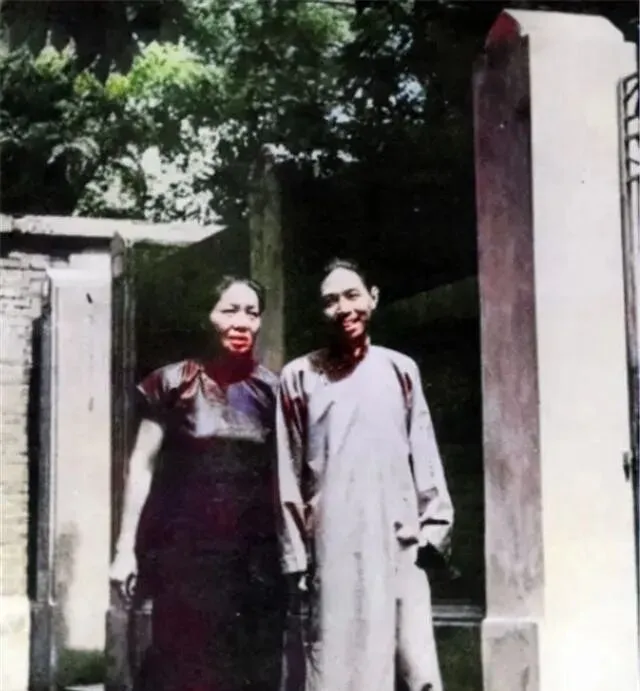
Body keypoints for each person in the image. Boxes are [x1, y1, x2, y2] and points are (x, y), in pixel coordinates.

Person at [276, 259, 454, 691]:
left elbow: (424, 454)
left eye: (352, 295)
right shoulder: (299, 377)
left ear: (373, 298)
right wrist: (296, 556)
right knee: (337, 666)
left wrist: (432, 530)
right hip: (332, 547)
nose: (343, 308)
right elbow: (287, 473)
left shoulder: (400, 370)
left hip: (398, 541)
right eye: (330, 301)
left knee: (414, 666)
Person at [109, 276, 283, 691]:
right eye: (229, 310)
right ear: (208, 316)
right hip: (185, 555)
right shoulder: (170, 383)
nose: (241, 322)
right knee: (181, 664)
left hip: (253, 559)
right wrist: (124, 549)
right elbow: (141, 465)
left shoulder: (273, 390)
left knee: (247, 668)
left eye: (251, 312)